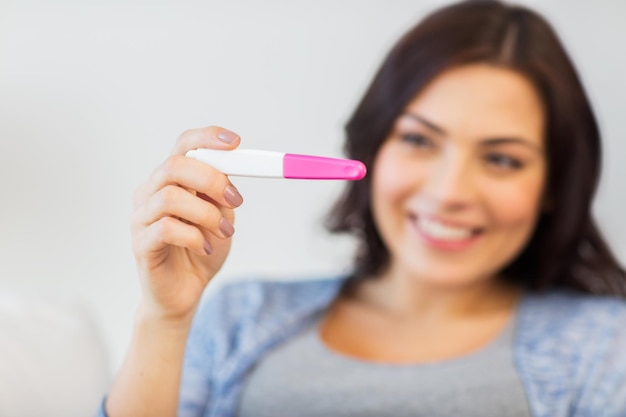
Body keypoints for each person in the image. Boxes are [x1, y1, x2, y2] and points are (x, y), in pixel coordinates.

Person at [100, 1, 626, 416]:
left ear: (554, 183)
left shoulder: (606, 345)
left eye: (502, 158)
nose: (449, 192)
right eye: (420, 141)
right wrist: (164, 319)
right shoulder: (243, 318)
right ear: (371, 149)